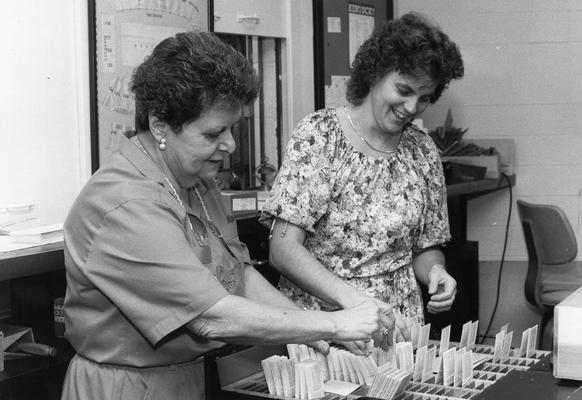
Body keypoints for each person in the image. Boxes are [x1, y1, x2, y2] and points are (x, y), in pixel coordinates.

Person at [60, 32, 396, 400]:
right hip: (124, 386)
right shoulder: (125, 203)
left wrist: (315, 331)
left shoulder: (196, 183)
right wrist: (334, 322)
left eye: (232, 128)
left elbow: (239, 276)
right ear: (160, 126)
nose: (231, 144)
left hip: (183, 379)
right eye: (213, 133)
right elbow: (210, 316)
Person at [261, 13, 464, 330]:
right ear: (374, 73)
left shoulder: (423, 151)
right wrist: (356, 302)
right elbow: (283, 251)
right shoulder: (320, 137)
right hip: (327, 326)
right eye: (403, 90)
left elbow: (425, 247)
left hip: (398, 326)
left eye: (424, 98)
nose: (411, 107)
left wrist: (436, 270)